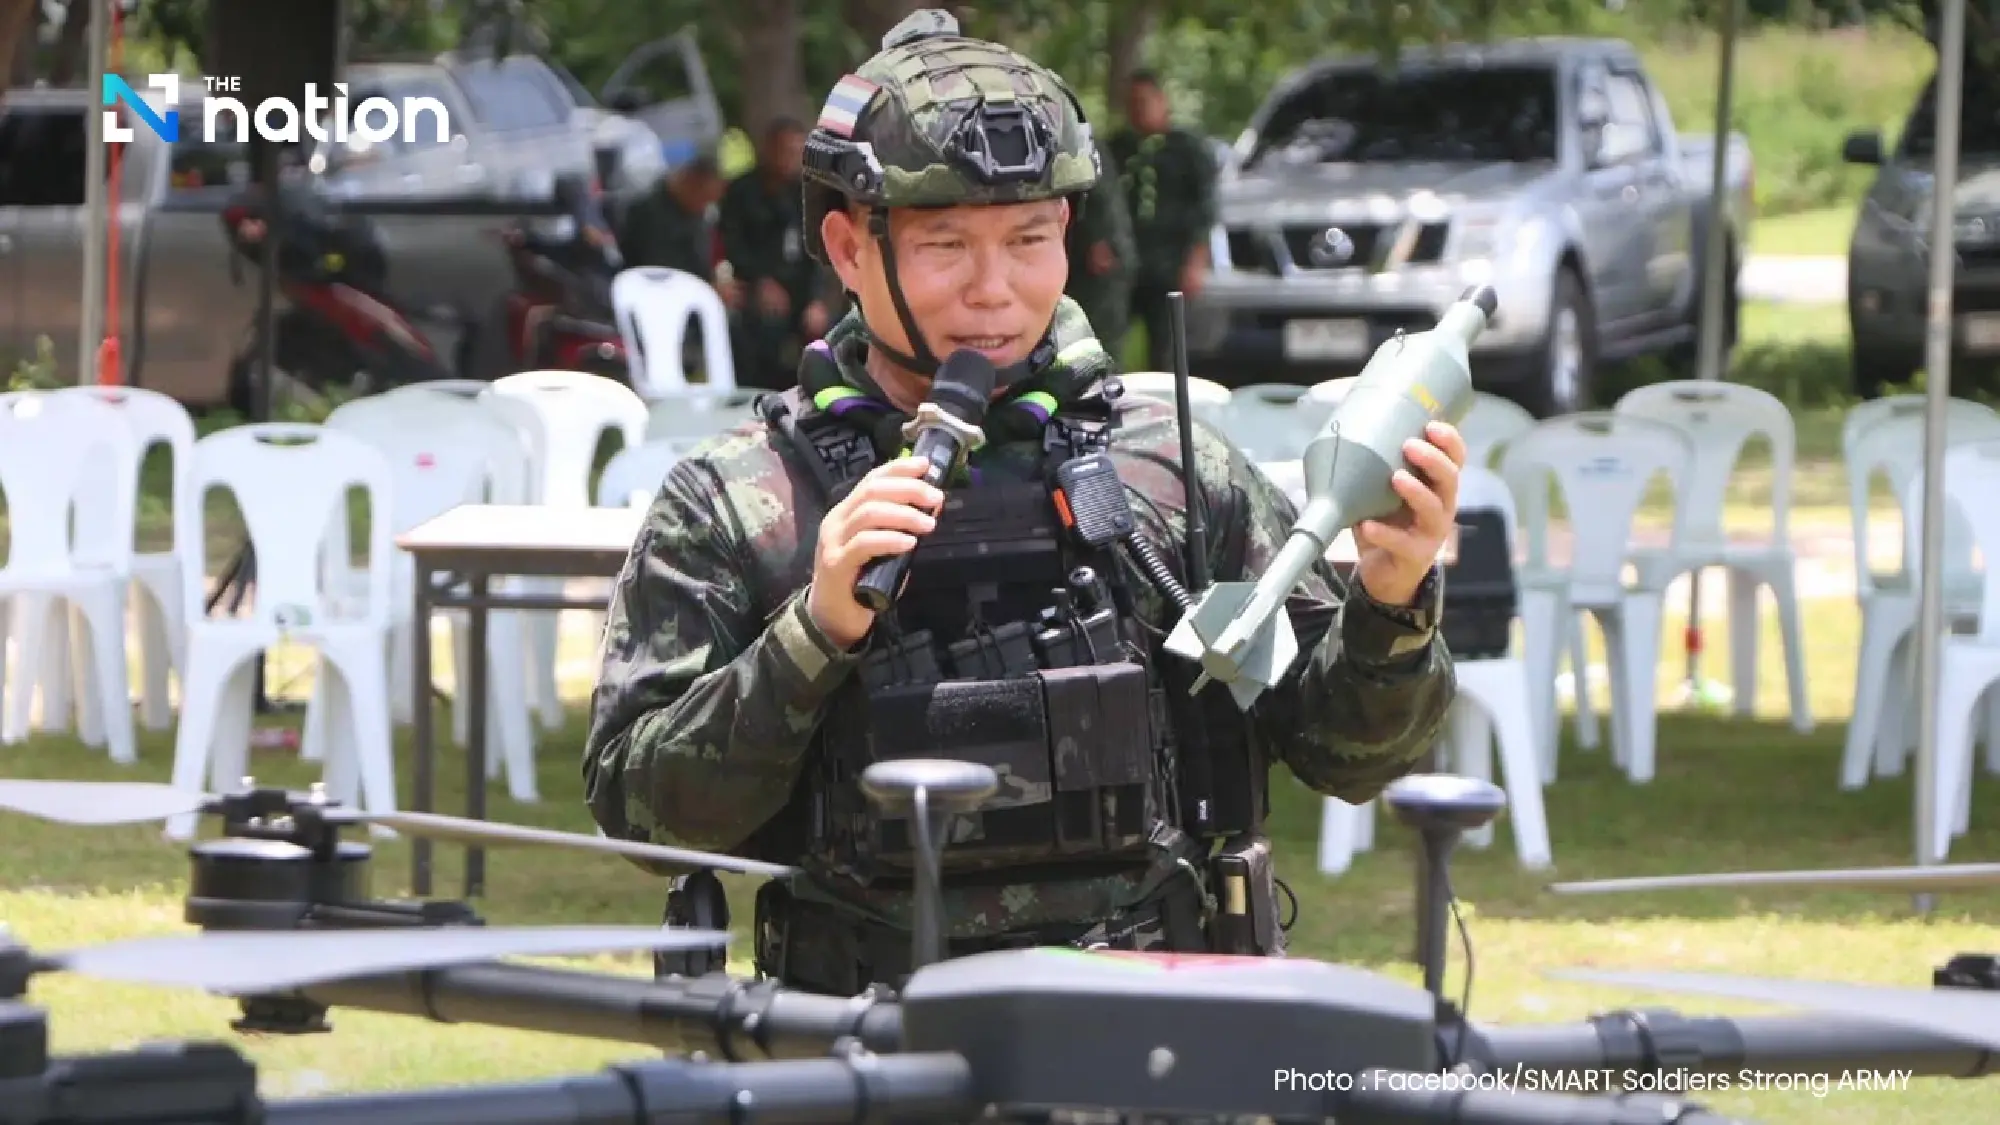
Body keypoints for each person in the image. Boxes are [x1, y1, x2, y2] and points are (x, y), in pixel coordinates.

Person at [583, 9, 1463, 997]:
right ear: (845, 248)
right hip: (862, 1047)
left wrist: (1389, 601)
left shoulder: (1164, 462)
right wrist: (812, 633)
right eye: (946, 245)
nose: (994, 290)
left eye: (1028, 240)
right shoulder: (740, 498)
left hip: (1152, 1030)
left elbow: (1347, 754)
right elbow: (645, 816)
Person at [1107, 70, 1218, 371]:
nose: (1138, 109)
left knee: (1167, 345)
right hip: (1126, 261)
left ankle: (1170, 404)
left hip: (1171, 260)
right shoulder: (1116, 149)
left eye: (1145, 101)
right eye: (1132, 102)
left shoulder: (1188, 149)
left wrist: (1196, 260)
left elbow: (1206, 207)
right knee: (1109, 336)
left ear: (1161, 101)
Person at [719, 116, 836, 388]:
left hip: (801, 286)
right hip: (757, 284)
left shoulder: (809, 192)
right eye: (783, 150)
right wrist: (761, 280)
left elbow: (820, 249)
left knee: (830, 331)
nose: (789, 159)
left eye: (796, 152)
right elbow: (733, 243)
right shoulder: (742, 191)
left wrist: (817, 299)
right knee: (760, 330)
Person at [618, 152, 739, 306]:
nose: (705, 207)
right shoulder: (649, 214)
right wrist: (708, 291)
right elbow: (662, 275)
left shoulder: (695, 214)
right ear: (690, 183)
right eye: (705, 199)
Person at [1062, 142, 1136, 368]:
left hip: (1095, 260)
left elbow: (1104, 195)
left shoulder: (1082, 140)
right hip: (1073, 255)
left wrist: (1103, 239)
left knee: (1100, 339)